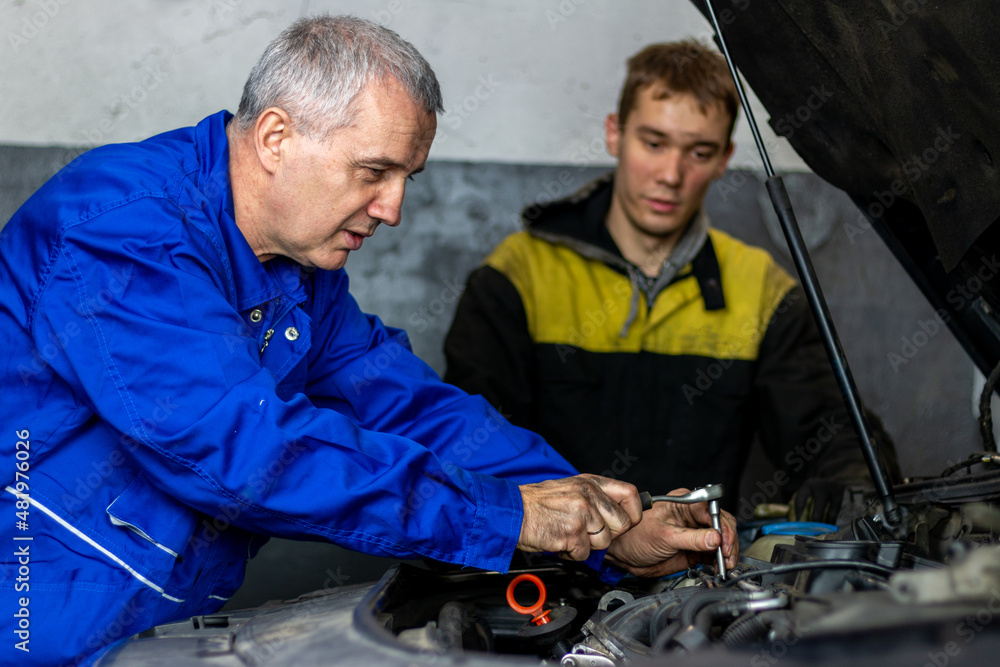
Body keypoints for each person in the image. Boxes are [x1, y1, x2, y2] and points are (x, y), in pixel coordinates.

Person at [0, 17, 736, 666]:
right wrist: (508, 517)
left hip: (140, 631)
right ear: (277, 137)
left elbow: (417, 411)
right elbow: (243, 450)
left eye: (406, 177)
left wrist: (612, 521)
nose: (393, 209)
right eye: (375, 173)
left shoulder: (297, 273)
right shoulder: (120, 231)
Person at [444, 40, 880, 525]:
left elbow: (832, 434)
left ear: (724, 159)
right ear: (615, 134)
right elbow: (472, 447)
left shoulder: (761, 288)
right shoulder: (518, 275)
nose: (671, 175)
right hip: (551, 574)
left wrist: (851, 489)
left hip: (698, 578)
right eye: (654, 143)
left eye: (698, 151)